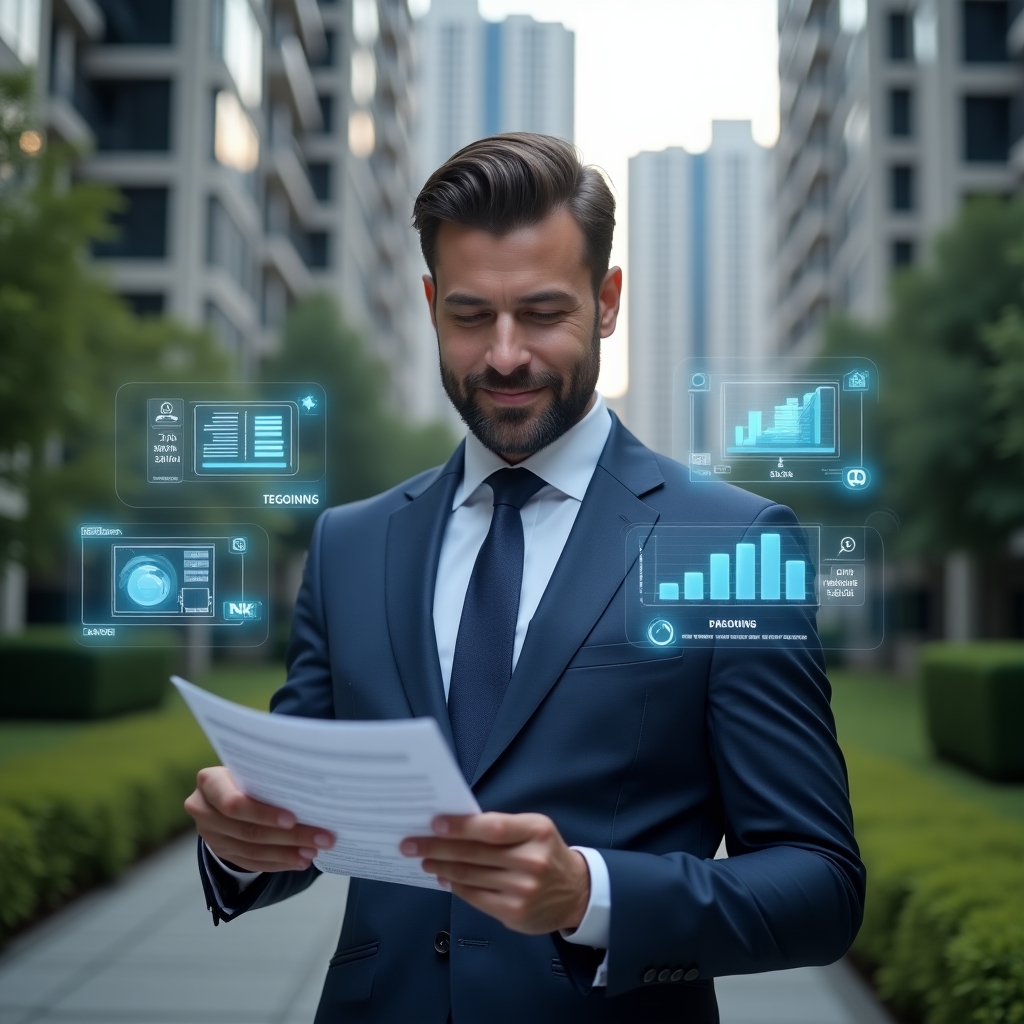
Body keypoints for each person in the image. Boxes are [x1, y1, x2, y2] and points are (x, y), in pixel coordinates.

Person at [184, 133, 864, 1023]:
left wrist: (590, 894)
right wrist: (244, 841)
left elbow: (818, 884)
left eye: (542, 313)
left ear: (607, 301)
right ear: (430, 306)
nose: (504, 356)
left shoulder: (729, 541)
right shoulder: (351, 544)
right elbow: (304, 827)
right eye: (471, 317)